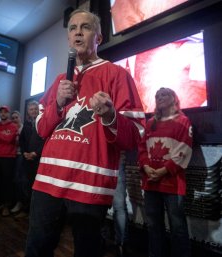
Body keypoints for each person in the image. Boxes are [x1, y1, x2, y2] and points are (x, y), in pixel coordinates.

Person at [25, 9, 145, 257]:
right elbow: (39, 128)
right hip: (48, 183)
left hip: (89, 186)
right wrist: (57, 103)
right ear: (69, 38)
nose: (78, 32)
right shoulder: (59, 80)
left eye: (85, 27)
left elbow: (135, 134)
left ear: (98, 37)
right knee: (37, 248)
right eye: (72, 28)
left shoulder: (117, 75)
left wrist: (111, 116)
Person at [138, 87, 193, 257]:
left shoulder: (183, 121)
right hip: (150, 183)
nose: (159, 97)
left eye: (164, 95)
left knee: (178, 227)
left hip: (172, 183)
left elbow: (184, 149)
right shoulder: (150, 124)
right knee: (154, 226)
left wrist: (163, 170)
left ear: (173, 98)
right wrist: (146, 167)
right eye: (157, 96)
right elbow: (141, 149)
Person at [12, 101, 45, 219]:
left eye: (35, 109)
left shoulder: (43, 123)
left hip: (38, 160)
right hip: (27, 160)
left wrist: (35, 153)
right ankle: (26, 210)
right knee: (26, 186)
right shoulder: (26, 125)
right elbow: (22, 141)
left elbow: (45, 141)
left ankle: (35, 213)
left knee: (37, 188)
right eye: (31, 109)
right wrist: (25, 152)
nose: (34, 111)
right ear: (28, 112)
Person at [112, 152, 129, 257]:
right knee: (120, 208)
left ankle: (101, 240)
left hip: (99, 160)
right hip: (117, 160)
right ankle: (121, 245)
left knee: (99, 204)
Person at [10, 110, 24, 215]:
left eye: (16, 117)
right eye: (13, 118)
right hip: (11, 155)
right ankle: (13, 201)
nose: (15, 119)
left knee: (18, 179)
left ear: (20, 117)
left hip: (21, 155)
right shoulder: (10, 129)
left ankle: (20, 202)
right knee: (12, 180)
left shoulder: (24, 128)